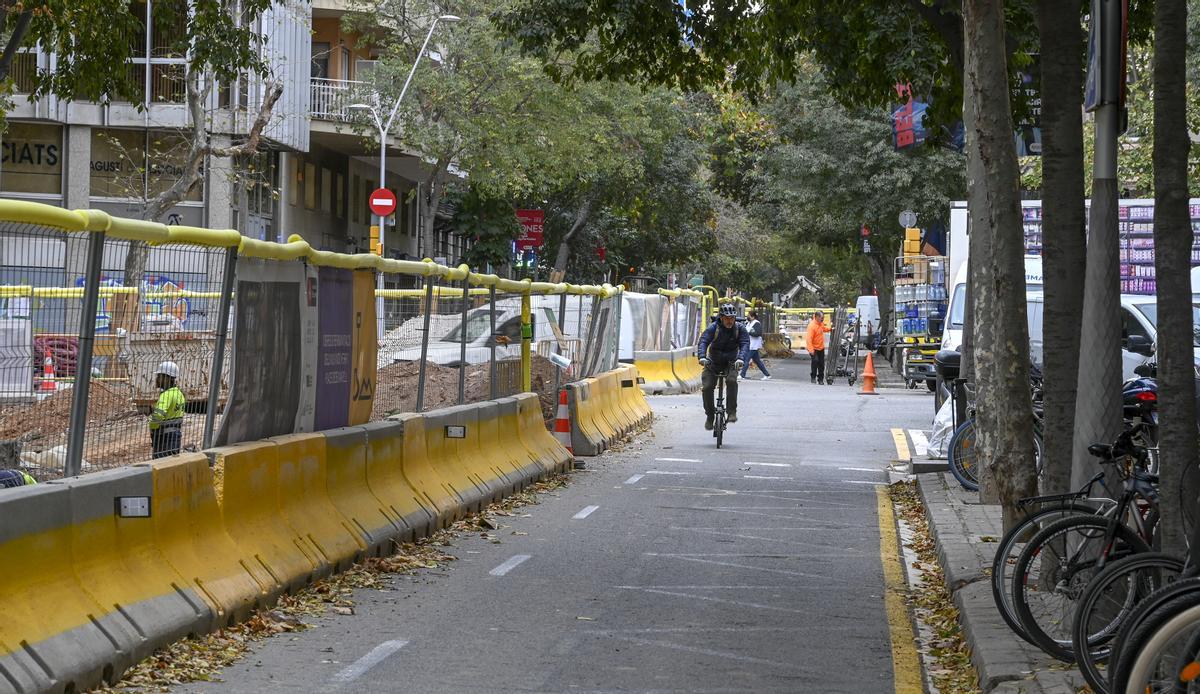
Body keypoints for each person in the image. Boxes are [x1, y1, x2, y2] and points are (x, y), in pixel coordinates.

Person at [697, 303, 749, 430]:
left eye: (732, 318)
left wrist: (741, 359)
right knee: (707, 387)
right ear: (721, 318)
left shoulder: (739, 329)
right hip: (713, 362)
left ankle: (731, 412)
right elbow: (703, 341)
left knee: (731, 380)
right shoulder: (713, 328)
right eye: (726, 318)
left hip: (731, 362)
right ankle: (710, 416)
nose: (729, 321)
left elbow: (745, 343)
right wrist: (702, 357)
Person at [149, 361, 185, 459]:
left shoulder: (166, 395)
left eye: (159, 376)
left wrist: (152, 425)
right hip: (175, 437)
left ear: (167, 378)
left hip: (164, 439)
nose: (157, 379)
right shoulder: (179, 394)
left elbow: (158, 416)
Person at [740, 310, 771, 380]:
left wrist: (748, 332)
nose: (747, 316)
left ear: (753, 317)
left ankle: (742, 375)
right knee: (757, 361)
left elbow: (758, 333)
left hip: (753, 345)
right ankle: (767, 375)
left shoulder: (756, 323)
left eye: (749, 315)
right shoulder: (748, 323)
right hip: (749, 344)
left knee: (746, 359)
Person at [806, 311, 832, 384]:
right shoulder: (812, 326)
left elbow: (824, 328)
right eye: (822, 317)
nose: (823, 319)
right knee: (815, 362)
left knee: (821, 364)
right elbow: (809, 339)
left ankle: (820, 379)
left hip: (821, 348)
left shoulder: (820, 324)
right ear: (817, 317)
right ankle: (813, 377)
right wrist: (811, 350)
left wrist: (830, 329)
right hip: (813, 348)